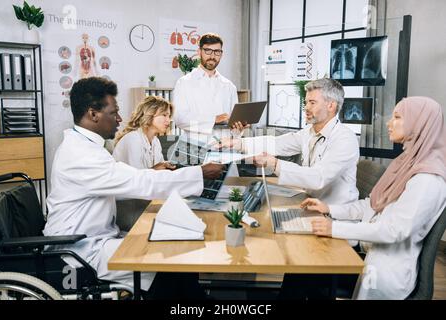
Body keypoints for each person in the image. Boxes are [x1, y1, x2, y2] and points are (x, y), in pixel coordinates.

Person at [43, 77, 223, 297]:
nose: (120, 118)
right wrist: (199, 173)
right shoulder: (81, 155)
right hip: (80, 250)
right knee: (168, 265)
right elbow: (140, 181)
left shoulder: (87, 147)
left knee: (176, 255)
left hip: (98, 238)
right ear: (93, 114)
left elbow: (138, 177)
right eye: (114, 112)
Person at [298, 96, 446, 299]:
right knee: (301, 270)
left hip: (382, 272)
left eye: (397, 117)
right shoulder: (406, 162)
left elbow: (395, 230)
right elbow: (372, 205)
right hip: (369, 250)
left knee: (305, 273)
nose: (389, 122)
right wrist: (329, 209)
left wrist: (334, 228)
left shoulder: (428, 179)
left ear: (419, 124)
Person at [216, 78, 360, 205]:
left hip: (335, 215)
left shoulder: (345, 139)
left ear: (331, 106)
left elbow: (319, 178)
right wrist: (239, 144)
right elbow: (276, 143)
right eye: (306, 102)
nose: (306, 108)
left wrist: (274, 164)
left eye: (312, 103)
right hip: (311, 204)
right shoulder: (309, 133)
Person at [173, 33, 245, 141]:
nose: (212, 56)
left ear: (221, 54)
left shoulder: (229, 86)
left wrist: (238, 129)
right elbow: (180, 119)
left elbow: (232, 123)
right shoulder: (184, 83)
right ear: (199, 52)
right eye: (208, 51)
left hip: (223, 147)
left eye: (217, 52)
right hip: (196, 147)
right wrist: (213, 119)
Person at [112, 96, 175, 170]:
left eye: (169, 116)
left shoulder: (155, 141)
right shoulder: (133, 138)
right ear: (149, 114)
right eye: (164, 115)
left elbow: (158, 172)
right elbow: (137, 176)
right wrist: (157, 168)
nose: (168, 120)